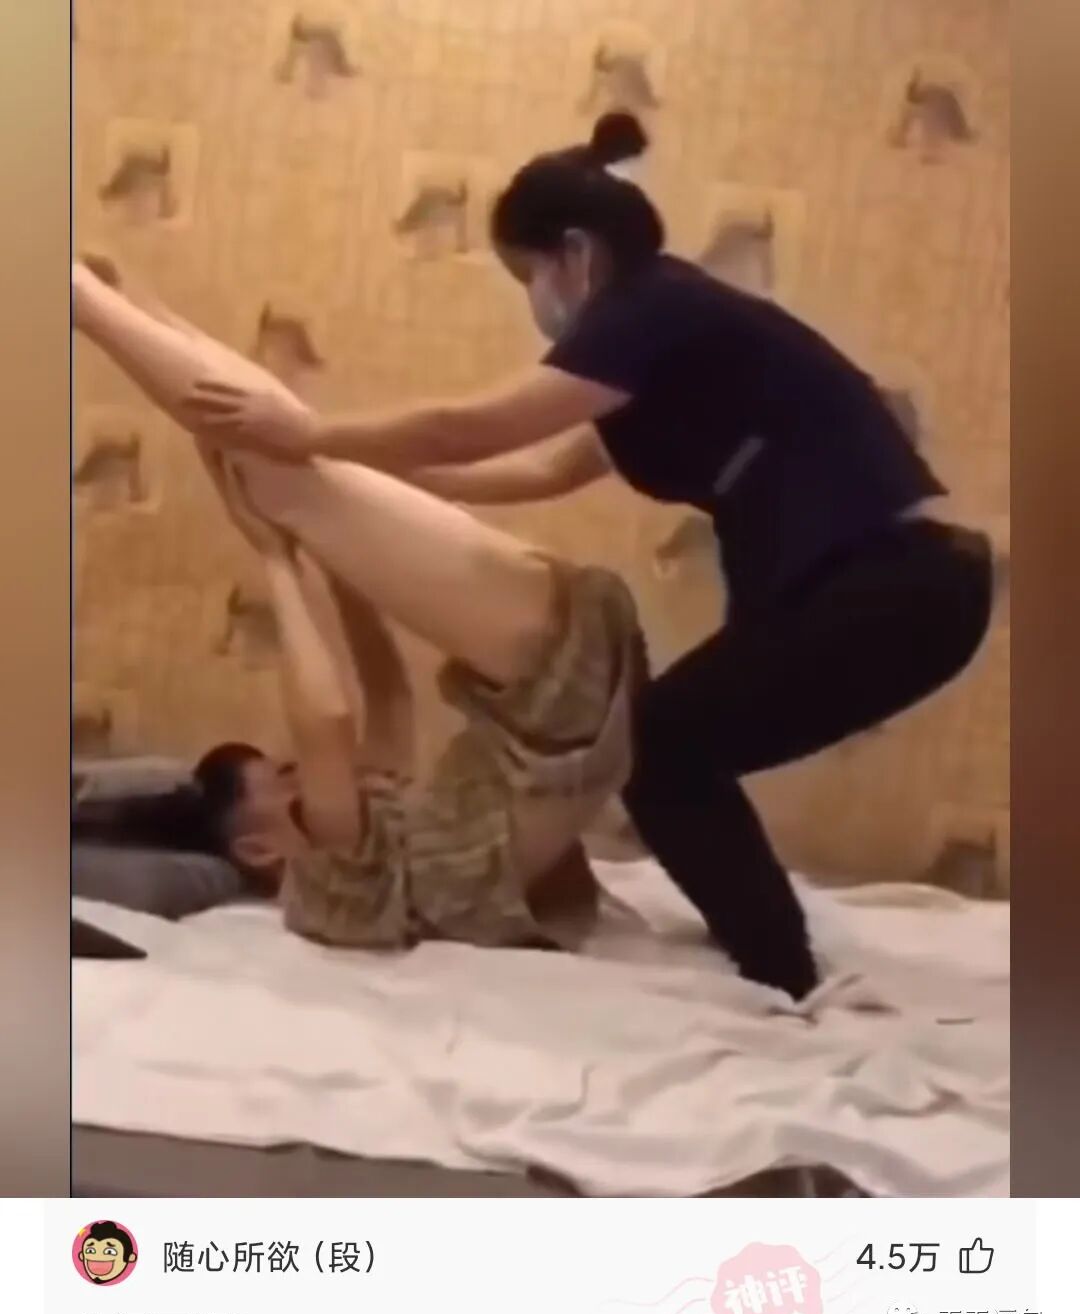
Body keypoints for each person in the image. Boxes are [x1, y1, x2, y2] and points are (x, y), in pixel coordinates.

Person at [181, 113, 994, 1000]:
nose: (534, 300)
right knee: (674, 748)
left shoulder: (651, 308)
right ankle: (778, 961)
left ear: (575, 253)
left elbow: (469, 426)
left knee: (665, 750)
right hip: (899, 592)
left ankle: (783, 975)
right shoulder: (663, 348)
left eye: (526, 275)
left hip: (899, 585)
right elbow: (537, 470)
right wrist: (374, 492)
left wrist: (304, 435)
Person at [73, 261, 642, 952]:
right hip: (560, 707)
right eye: (282, 779)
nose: (300, 767)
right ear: (258, 849)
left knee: (294, 463)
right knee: (283, 471)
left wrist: (329, 556)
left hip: (559, 699)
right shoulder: (334, 888)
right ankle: (85, 299)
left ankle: (139, 312)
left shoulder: (377, 843)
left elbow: (388, 697)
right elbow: (329, 722)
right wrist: (276, 559)